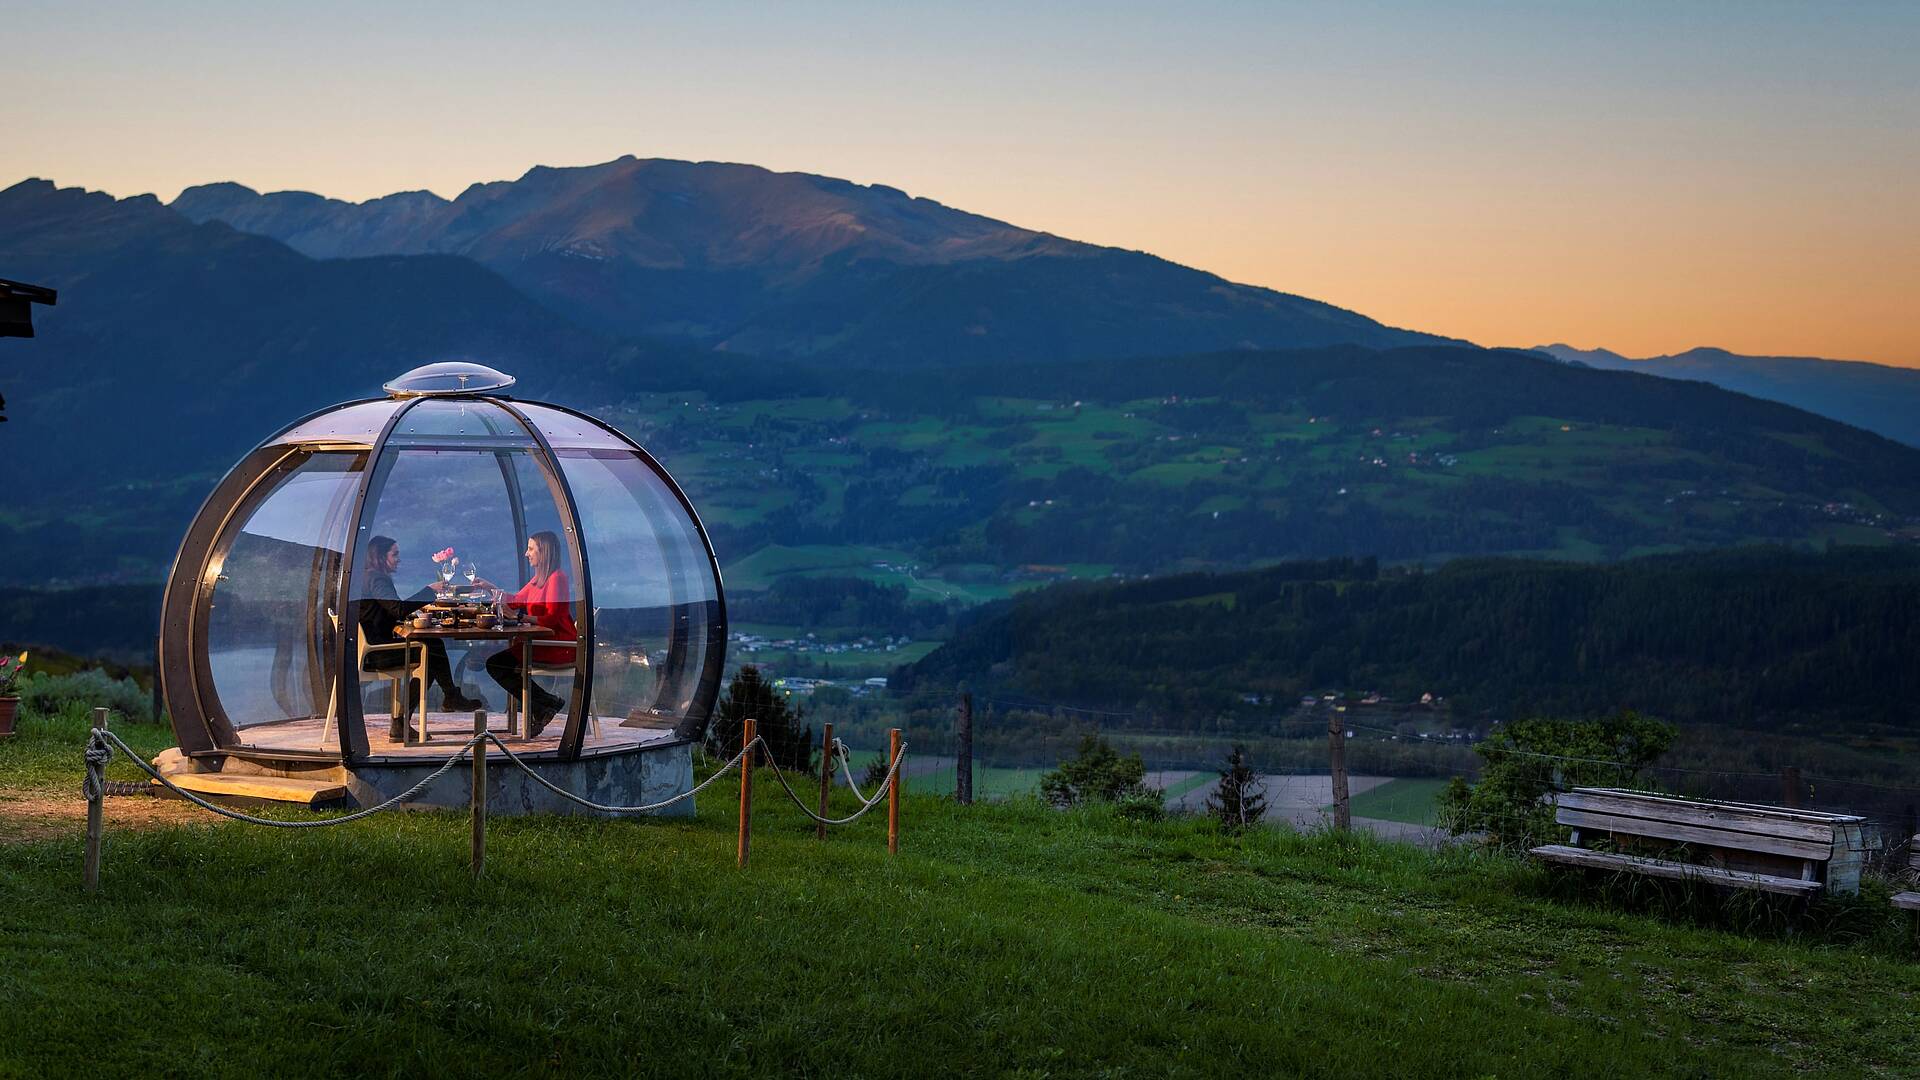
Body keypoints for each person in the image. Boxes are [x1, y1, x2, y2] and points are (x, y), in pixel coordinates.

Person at [358, 536, 485, 734]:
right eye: (395, 554)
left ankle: (439, 702)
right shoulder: (377, 579)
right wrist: (429, 591)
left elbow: (388, 612)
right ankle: (445, 699)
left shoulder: (368, 577)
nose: (398, 559)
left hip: (373, 649)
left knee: (431, 648)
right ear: (380, 556)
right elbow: (398, 609)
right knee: (431, 652)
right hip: (377, 654)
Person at [477, 531, 579, 737]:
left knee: (498, 665)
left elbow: (551, 619)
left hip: (559, 645)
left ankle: (544, 705)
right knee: (500, 664)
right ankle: (544, 705)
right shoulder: (538, 580)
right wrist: (490, 588)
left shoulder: (557, 578)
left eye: (531, 549)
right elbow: (515, 600)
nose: (526, 553)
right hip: (541, 643)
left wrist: (520, 616)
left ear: (544, 552)